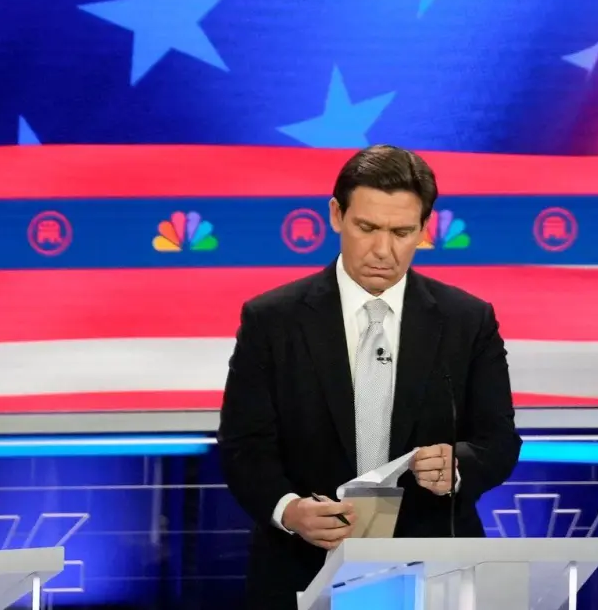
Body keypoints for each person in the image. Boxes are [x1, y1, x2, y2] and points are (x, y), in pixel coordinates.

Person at [218, 145, 522, 608]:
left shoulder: (467, 321)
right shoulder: (272, 320)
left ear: (425, 228)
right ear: (337, 215)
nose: (383, 250)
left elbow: (499, 442)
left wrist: (457, 466)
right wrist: (291, 511)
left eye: (402, 232)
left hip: (434, 569)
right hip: (301, 567)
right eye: (367, 228)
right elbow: (244, 446)